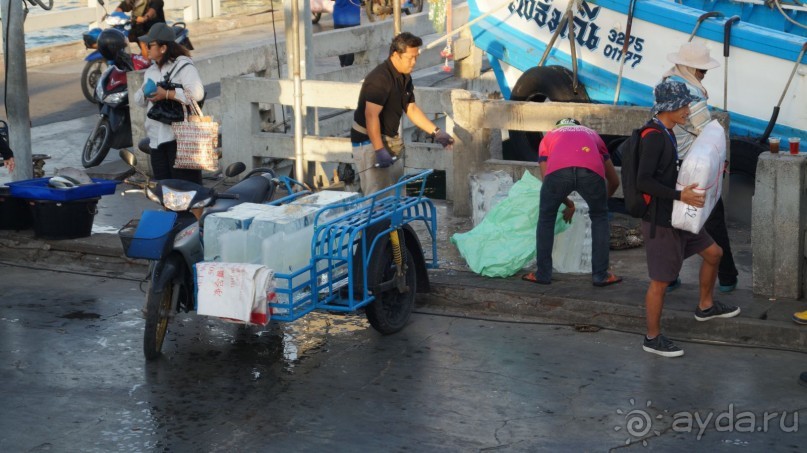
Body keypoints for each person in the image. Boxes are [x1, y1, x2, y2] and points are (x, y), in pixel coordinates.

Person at [637, 80, 740, 358]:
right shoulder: (656, 136)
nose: (687, 110)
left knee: (714, 253)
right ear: (668, 108)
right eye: (683, 106)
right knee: (661, 281)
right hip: (662, 219)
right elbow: (643, 181)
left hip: (679, 214)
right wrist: (679, 196)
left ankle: (705, 307)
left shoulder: (669, 131)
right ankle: (652, 337)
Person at [661, 41, 739, 294]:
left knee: (673, 222)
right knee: (713, 219)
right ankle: (727, 277)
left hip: (668, 162)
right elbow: (706, 132)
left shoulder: (664, 83)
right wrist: (721, 160)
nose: (704, 75)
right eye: (701, 71)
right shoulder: (692, 94)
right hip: (693, 165)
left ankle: (669, 276)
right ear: (689, 68)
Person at [521, 118, 622, 287]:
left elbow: (547, 180)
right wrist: (601, 205)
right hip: (590, 173)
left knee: (546, 218)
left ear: (559, 126)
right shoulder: (592, 134)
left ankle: (543, 274)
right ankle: (600, 275)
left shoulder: (549, 136)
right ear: (579, 126)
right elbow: (614, 181)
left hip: (558, 174)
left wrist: (569, 204)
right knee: (600, 218)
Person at [351, 32, 454, 195]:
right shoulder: (380, 79)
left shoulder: (405, 77)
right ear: (395, 55)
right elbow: (371, 116)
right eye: (409, 58)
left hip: (390, 140)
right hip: (369, 142)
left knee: (397, 190)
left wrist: (437, 132)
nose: (413, 62)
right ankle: (381, 221)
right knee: (377, 196)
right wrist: (378, 149)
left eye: (416, 57)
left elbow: (411, 109)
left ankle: (397, 220)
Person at [133, 23, 205, 185]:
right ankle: (171, 211)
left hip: (179, 139)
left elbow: (197, 94)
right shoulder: (151, 71)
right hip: (156, 140)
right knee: (164, 190)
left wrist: (167, 94)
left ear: (163, 48)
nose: (146, 49)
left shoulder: (183, 66)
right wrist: (147, 93)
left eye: (150, 45)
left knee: (187, 190)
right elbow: (138, 100)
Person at [333, 0, 361, 67]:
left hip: (338, 16)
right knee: (351, 44)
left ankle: (343, 65)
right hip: (352, 17)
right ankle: (346, 65)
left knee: (340, 44)